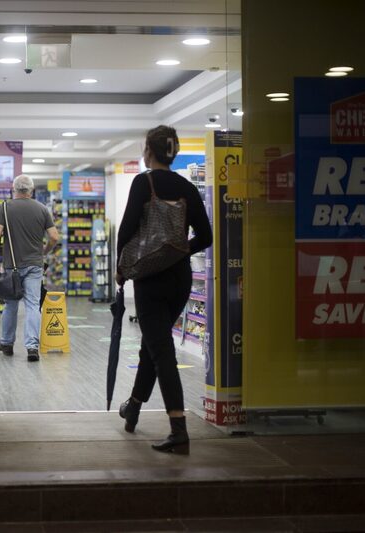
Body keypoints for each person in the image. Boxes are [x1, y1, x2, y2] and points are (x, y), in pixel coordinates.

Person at [115, 125, 212, 454]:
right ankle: (134, 408)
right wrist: (181, 250)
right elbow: (206, 236)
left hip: (150, 279)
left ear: (149, 151)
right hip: (180, 279)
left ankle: (178, 427)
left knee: (162, 351)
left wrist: (121, 269)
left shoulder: (145, 182)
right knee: (153, 346)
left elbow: (127, 228)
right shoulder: (186, 186)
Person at [0, 175, 60, 361]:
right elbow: (54, 237)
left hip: (12, 267)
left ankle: (6, 343)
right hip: (35, 265)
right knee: (33, 305)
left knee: (10, 304)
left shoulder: (4, 208)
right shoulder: (42, 209)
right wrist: (44, 250)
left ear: (14, 188)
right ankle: (32, 348)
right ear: (31, 190)